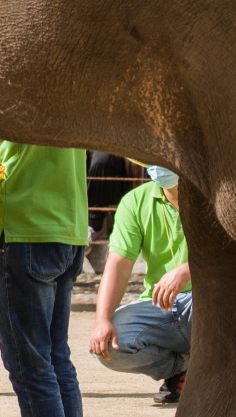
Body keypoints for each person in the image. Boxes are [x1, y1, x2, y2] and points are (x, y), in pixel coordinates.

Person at [0, 133, 89, 417]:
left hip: (24, 229)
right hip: (70, 230)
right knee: (57, 360)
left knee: (30, 367)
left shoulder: (13, 91)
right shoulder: (71, 91)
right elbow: (8, 167)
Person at [89, 165, 191, 404]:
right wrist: (102, 320)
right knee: (109, 347)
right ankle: (182, 369)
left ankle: (212, 374)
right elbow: (118, 265)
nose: (158, 166)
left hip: (209, 302)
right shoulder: (135, 200)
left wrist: (188, 269)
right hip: (160, 304)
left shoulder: (213, 194)